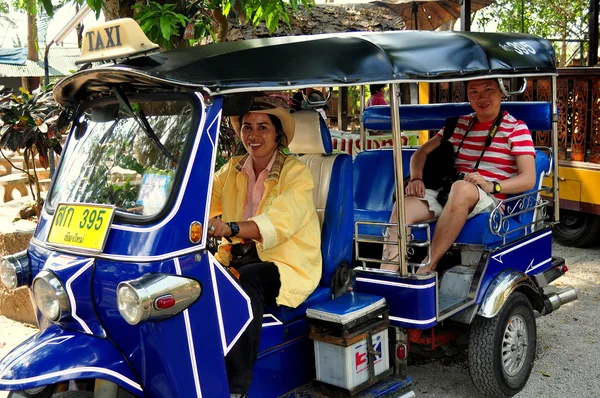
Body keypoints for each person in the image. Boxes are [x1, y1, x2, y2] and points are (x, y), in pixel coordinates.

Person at [208, 97, 322, 397]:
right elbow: (206, 202)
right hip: (237, 255)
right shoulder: (231, 169)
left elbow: (278, 222)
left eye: (262, 128)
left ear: (277, 135)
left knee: (247, 280)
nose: (253, 135)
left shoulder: (296, 173)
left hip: (287, 262)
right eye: (247, 127)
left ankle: (236, 386)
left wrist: (230, 227)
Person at [382, 78, 536, 273]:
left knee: (461, 188)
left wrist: (492, 185)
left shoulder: (516, 129)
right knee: (403, 206)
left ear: (501, 92)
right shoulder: (459, 124)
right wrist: (416, 177)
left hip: (488, 199)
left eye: (488, 89)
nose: (482, 97)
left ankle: (428, 266)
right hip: (448, 192)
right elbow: (419, 154)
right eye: (474, 92)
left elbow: (528, 178)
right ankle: (387, 272)